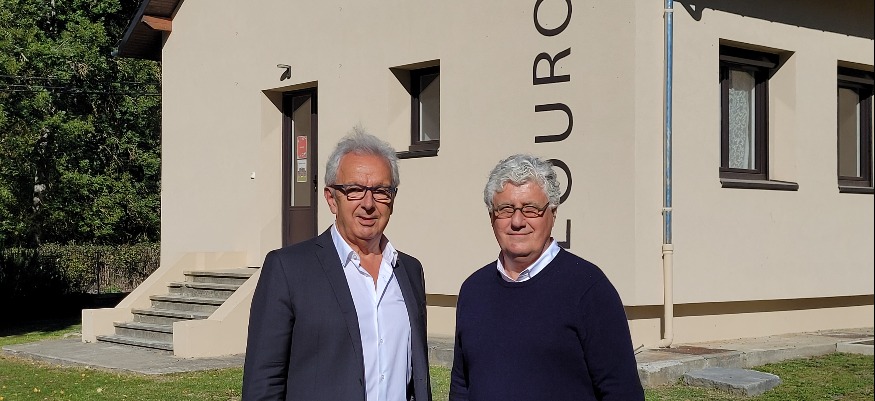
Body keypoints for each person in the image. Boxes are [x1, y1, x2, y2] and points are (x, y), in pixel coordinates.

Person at [242, 128, 431, 401]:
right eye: (354, 190)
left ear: (392, 199)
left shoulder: (409, 271)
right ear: (332, 199)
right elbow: (263, 383)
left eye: (380, 191)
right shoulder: (288, 270)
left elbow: (415, 377)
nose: (368, 203)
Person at [449, 154, 644, 401]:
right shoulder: (473, 290)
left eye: (530, 209)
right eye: (505, 209)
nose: (517, 221)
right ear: (492, 217)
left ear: (553, 213)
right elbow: (461, 385)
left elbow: (621, 391)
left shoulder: (588, 289)